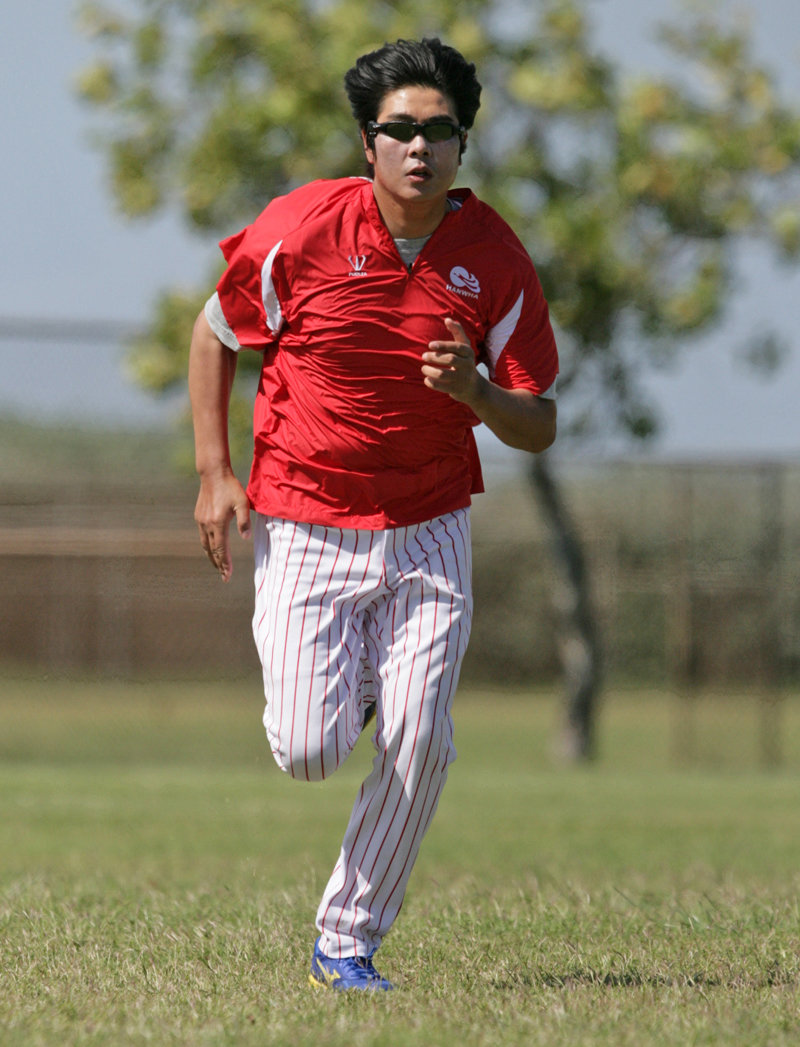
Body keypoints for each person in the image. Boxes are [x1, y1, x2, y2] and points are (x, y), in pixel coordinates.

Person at [188, 37, 558, 992]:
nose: (419, 147)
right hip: (308, 516)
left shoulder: (495, 258)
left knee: (423, 733)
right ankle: (349, 692)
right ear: (368, 140)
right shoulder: (298, 227)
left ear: (462, 145)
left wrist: (477, 393)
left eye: (439, 129)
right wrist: (213, 472)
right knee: (308, 751)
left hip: (429, 523)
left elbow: (539, 422)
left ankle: (345, 941)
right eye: (401, 129)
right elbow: (214, 332)